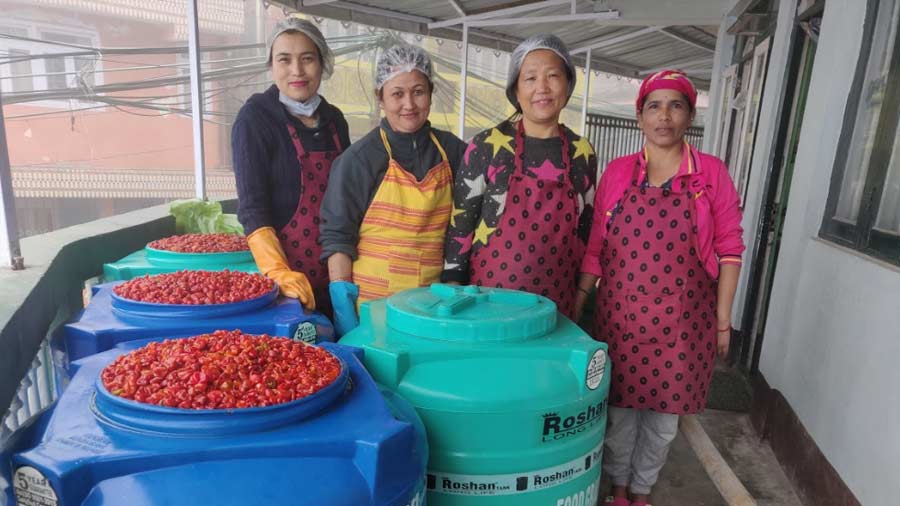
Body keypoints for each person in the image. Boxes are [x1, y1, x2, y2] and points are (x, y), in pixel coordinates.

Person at [573, 70, 745, 506]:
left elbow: (729, 249)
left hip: (685, 322)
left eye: (676, 105)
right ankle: (619, 488)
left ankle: (644, 490)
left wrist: (723, 322)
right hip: (622, 317)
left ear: (689, 115)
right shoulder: (616, 174)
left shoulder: (710, 175)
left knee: (665, 420)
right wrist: (577, 304)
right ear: (639, 115)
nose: (664, 116)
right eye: (654, 106)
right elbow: (595, 249)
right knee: (620, 414)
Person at [441, 34, 598, 319]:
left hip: (555, 306)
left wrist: (579, 300)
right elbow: (461, 225)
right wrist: (454, 291)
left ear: (568, 84)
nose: (542, 88)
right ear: (515, 88)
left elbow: (586, 230)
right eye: (530, 78)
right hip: (487, 305)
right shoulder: (486, 145)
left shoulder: (581, 152)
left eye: (553, 76)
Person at [319, 44, 466, 336]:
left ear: (431, 92)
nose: (409, 104)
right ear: (380, 97)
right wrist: (343, 304)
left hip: (435, 308)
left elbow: (464, 225)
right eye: (397, 93)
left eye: (418, 91)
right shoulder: (358, 159)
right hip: (374, 310)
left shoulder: (453, 151)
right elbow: (338, 237)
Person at [232, 17, 349, 316]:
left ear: (322, 63)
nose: (297, 70)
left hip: (340, 269)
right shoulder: (256, 118)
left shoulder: (334, 119)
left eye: (307, 59)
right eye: (285, 59)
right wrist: (277, 273)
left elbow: (350, 197)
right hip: (286, 284)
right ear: (271, 64)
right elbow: (252, 207)